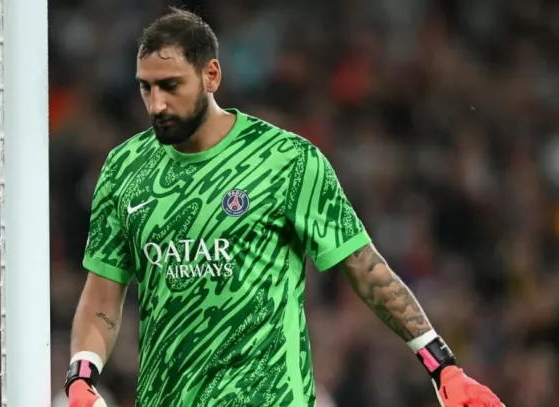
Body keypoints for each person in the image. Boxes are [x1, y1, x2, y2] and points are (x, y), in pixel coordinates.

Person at [65, 7, 505, 407]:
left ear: (211, 75)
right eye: (145, 87)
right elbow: (104, 290)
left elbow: (364, 267)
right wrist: (82, 377)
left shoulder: (286, 161)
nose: (156, 103)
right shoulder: (125, 168)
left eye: (170, 85)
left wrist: (442, 365)